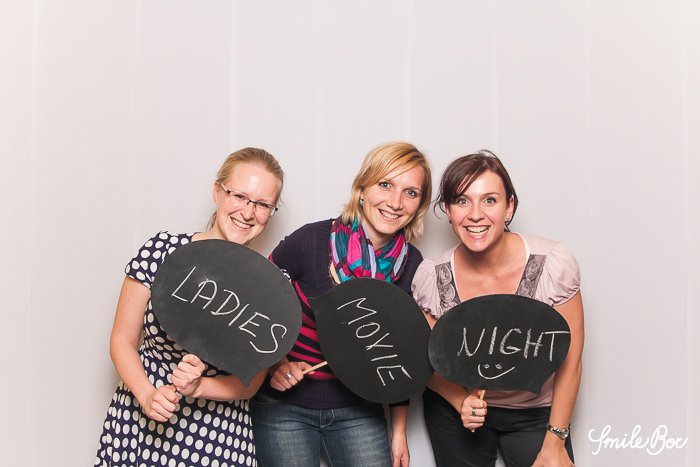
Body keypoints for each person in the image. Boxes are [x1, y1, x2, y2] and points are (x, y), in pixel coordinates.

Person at [94, 147, 285, 467]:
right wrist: (147, 394)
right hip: (141, 421)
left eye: (262, 204)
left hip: (218, 438)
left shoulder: (270, 286)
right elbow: (122, 341)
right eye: (239, 196)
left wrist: (199, 386)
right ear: (217, 192)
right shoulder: (161, 251)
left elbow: (250, 383)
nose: (248, 212)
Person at [250, 142, 432, 467]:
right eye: (385, 184)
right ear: (362, 188)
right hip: (284, 408)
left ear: (419, 204)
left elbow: (400, 356)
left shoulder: (412, 265)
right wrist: (277, 365)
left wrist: (399, 432)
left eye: (410, 192)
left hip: (360, 409)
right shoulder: (310, 241)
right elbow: (255, 303)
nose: (395, 202)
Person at [412, 150, 584, 467]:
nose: (475, 214)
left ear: (509, 207)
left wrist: (555, 440)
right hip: (457, 409)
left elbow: (570, 361)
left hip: (536, 412)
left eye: (489, 200)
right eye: (462, 201)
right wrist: (460, 401)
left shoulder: (552, 264)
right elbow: (429, 359)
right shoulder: (432, 276)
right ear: (448, 210)